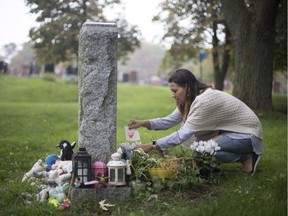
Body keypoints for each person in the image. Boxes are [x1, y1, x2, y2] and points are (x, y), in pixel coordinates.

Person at [128, 68, 263, 176]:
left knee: (200, 150)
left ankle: (246, 157)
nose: (173, 95)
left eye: (175, 91)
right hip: (231, 133)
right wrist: (143, 123)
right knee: (198, 150)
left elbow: (182, 135)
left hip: (247, 135)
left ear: (186, 87)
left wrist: (152, 145)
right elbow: (169, 120)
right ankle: (231, 159)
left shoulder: (203, 101)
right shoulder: (192, 98)